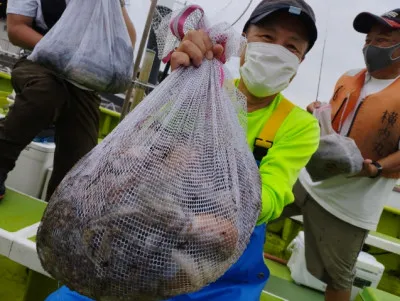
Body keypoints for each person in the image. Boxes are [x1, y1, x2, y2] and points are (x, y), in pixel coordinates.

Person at [45, 0, 320, 300]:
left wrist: (216, 221)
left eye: (292, 47)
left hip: (226, 272)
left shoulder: (299, 124)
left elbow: (273, 193)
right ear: (242, 43)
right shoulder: (207, 89)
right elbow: (152, 150)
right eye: (267, 37)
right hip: (146, 245)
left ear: (300, 61)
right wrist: (182, 77)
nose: (277, 51)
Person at [286, 8, 400, 301]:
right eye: (368, 38)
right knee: (255, 214)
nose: (371, 46)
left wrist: (374, 167)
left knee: (337, 278)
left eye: (383, 40)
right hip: (306, 181)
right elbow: (337, 121)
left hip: (349, 206)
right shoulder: (349, 76)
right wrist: (317, 113)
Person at [0, 0, 136, 201]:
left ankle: (60, 210)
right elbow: (16, 28)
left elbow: (127, 41)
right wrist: (62, 52)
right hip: (39, 64)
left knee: (79, 162)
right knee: (45, 92)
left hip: (82, 82)